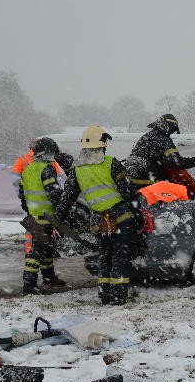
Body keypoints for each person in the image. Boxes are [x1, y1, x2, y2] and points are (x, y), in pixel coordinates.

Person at [56, 125, 138, 305]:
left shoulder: (77, 170)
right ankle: (118, 296)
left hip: (99, 220)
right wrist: (137, 209)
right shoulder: (111, 163)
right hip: (120, 218)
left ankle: (105, 294)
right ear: (102, 145)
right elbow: (128, 192)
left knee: (105, 256)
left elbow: (67, 197)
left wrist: (58, 218)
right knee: (120, 256)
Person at [19, 137, 67, 294]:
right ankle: (29, 283)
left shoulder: (28, 169)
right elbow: (54, 194)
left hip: (33, 216)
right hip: (45, 217)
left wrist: (30, 211)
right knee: (37, 251)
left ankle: (49, 277)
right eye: (52, 153)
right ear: (46, 153)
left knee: (46, 249)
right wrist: (63, 210)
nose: (53, 157)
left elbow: (22, 195)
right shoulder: (47, 169)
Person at [126, 114, 195, 195]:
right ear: (167, 126)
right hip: (148, 177)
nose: (171, 132)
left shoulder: (147, 137)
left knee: (142, 202)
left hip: (130, 177)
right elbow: (178, 163)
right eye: (172, 129)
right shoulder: (163, 140)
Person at [11, 138, 66, 254]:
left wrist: (24, 198)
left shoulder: (23, 160)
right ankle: (44, 251)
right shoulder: (50, 162)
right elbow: (60, 179)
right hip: (46, 206)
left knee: (32, 229)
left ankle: (30, 250)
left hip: (31, 203)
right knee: (47, 230)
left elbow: (15, 180)